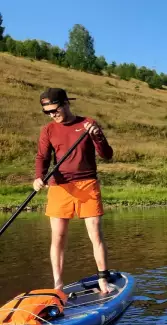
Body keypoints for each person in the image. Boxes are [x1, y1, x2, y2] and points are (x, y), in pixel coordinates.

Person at [34, 88, 114, 294]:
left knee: (95, 233)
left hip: (87, 183)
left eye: (54, 109)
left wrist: (97, 137)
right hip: (59, 187)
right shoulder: (48, 130)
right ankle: (58, 285)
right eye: (47, 112)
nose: (52, 114)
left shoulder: (87, 124)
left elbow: (107, 155)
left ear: (65, 103)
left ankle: (103, 279)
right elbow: (42, 157)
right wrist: (38, 176)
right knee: (58, 237)